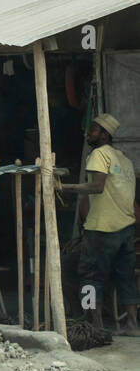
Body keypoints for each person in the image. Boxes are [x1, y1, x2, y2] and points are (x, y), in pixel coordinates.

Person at [58, 113, 138, 335]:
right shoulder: (124, 159)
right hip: (125, 230)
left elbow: (97, 187)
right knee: (126, 276)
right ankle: (132, 324)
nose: (88, 133)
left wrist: (64, 188)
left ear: (104, 135)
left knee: (88, 275)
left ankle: (92, 323)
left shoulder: (98, 154)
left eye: (92, 130)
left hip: (102, 229)